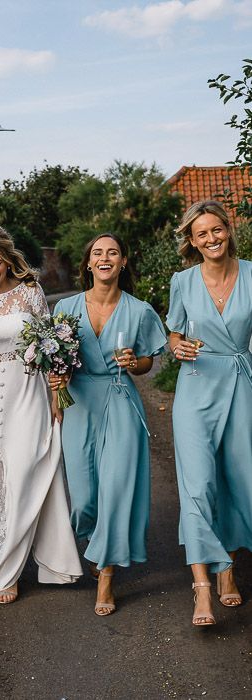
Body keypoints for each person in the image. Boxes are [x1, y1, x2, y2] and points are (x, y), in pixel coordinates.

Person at [0, 226, 82, 605]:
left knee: (25, 469)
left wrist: (57, 395)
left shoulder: (30, 291)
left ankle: (8, 573)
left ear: (9, 261)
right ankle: (0, 546)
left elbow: (51, 346)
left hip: (29, 388)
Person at [50, 233, 166, 616]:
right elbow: (55, 362)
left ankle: (106, 575)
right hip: (79, 404)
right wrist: (56, 391)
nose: (104, 258)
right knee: (83, 498)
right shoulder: (65, 308)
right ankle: (96, 542)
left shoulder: (139, 310)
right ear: (88, 263)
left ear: (122, 262)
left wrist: (135, 364)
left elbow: (149, 362)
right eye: (97, 253)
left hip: (120, 401)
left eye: (112, 252)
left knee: (117, 488)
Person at [165, 200, 252, 627]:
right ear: (192, 241)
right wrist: (175, 347)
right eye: (202, 234)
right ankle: (202, 586)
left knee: (237, 481)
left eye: (216, 230)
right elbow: (174, 334)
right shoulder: (182, 281)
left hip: (241, 383)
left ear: (227, 229)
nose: (211, 239)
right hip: (196, 385)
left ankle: (227, 568)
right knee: (197, 482)